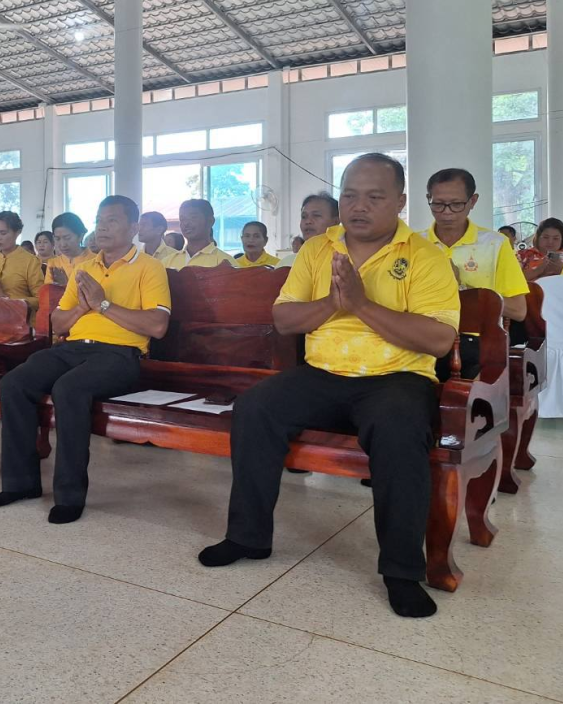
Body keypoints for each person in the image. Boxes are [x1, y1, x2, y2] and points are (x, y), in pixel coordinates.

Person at [198, 154, 460, 620]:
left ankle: (401, 572)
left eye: (375, 197)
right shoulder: (318, 250)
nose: (359, 206)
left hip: (395, 379)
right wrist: (334, 305)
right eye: (351, 195)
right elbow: (284, 318)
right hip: (323, 375)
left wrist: (361, 304)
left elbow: (440, 340)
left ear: (400, 202)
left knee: (400, 428)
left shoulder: (424, 256)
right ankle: (247, 536)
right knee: (256, 406)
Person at [0, 195, 171, 524]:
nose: (102, 226)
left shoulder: (149, 267)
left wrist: (102, 305)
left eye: (112, 220)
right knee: (14, 383)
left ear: (133, 227)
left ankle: (70, 495)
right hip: (73, 348)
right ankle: (21, 483)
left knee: (69, 389)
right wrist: (83, 308)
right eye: (100, 219)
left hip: (121, 354)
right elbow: (57, 323)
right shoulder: (85, 269)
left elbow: (157, 327)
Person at [423, 169, 528, 379]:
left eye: (456, 204)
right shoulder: (416, 244)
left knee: (470, 386)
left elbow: (518, 310)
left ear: (473, 201)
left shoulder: (494, 244)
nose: (446, 212)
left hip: (476, 341)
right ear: (428, 199)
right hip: (425, 338)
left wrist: (463, 289)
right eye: (438, 204)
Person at [0, 211, 44, 316]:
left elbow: (40, 300)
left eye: (3, 233)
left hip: (21, 321)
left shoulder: (30, 261)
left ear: (17, 232)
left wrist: (4, 297)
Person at [163, 200, 237, 269]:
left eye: (193, 218)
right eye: (182, 219)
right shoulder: (167, 262)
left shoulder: (227, 263)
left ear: (210, 221)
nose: (186, 223)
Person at [278, 193, 341, 268]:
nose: (308, 221)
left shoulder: (344, 256)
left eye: (316, 215)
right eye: (304, 216)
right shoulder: (287, 263)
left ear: (336, 221)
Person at [44, 212, 90, 285]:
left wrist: (65, 284)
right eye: (57, 239)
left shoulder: (96, 261)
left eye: (67, 238)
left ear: (80, 236)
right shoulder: (53, 264)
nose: (63, 244)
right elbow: (49, 294)